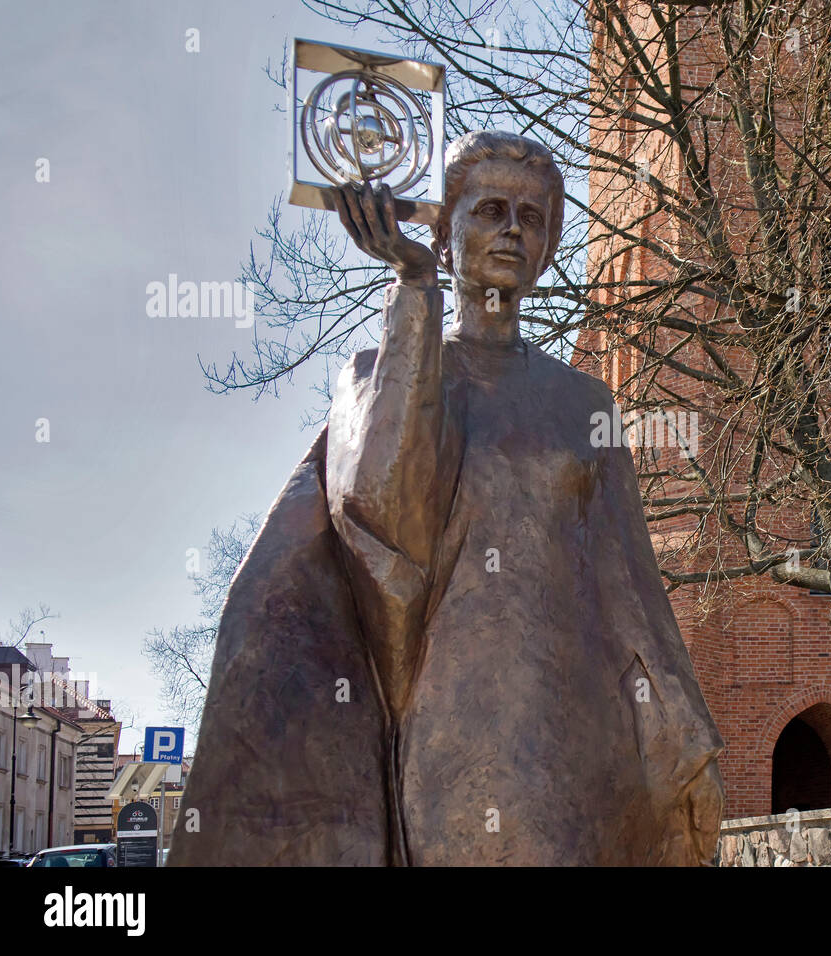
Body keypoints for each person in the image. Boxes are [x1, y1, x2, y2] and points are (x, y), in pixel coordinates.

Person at [171, 131, 724, 866]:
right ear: (445, 227)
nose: (511, 230)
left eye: (532, 217)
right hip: (446, 717)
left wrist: (688, 739)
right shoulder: (381, 372)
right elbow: (382, 519)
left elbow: (634, 592)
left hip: (572, 730)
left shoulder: (584, 403)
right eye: (489, 210)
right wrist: (414, 288)